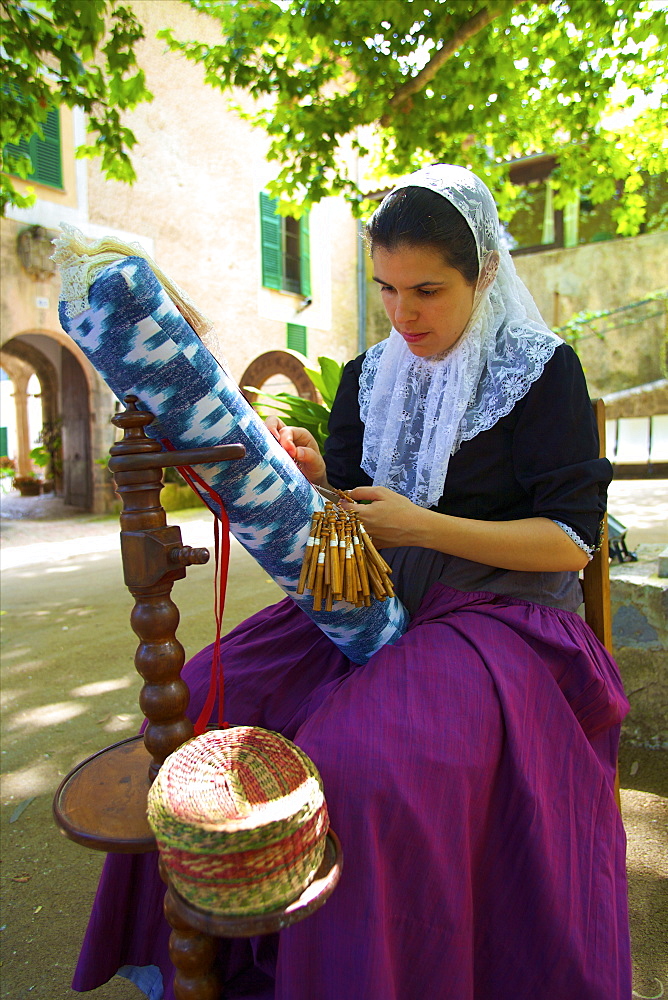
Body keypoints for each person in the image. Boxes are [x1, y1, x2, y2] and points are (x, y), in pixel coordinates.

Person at [72, 164, 631, 1000]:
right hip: (368, 597)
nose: (404, 315)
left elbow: (568, 544)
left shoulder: (539, 370)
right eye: (387, 289)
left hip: (505, 615)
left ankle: (365, 975)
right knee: (202, 696)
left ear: (484, 273)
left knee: (357, 761)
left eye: (428, 291)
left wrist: (423, 526)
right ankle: (214, 956)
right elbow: (353, 507)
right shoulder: (371, 374)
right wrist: (313, 482)